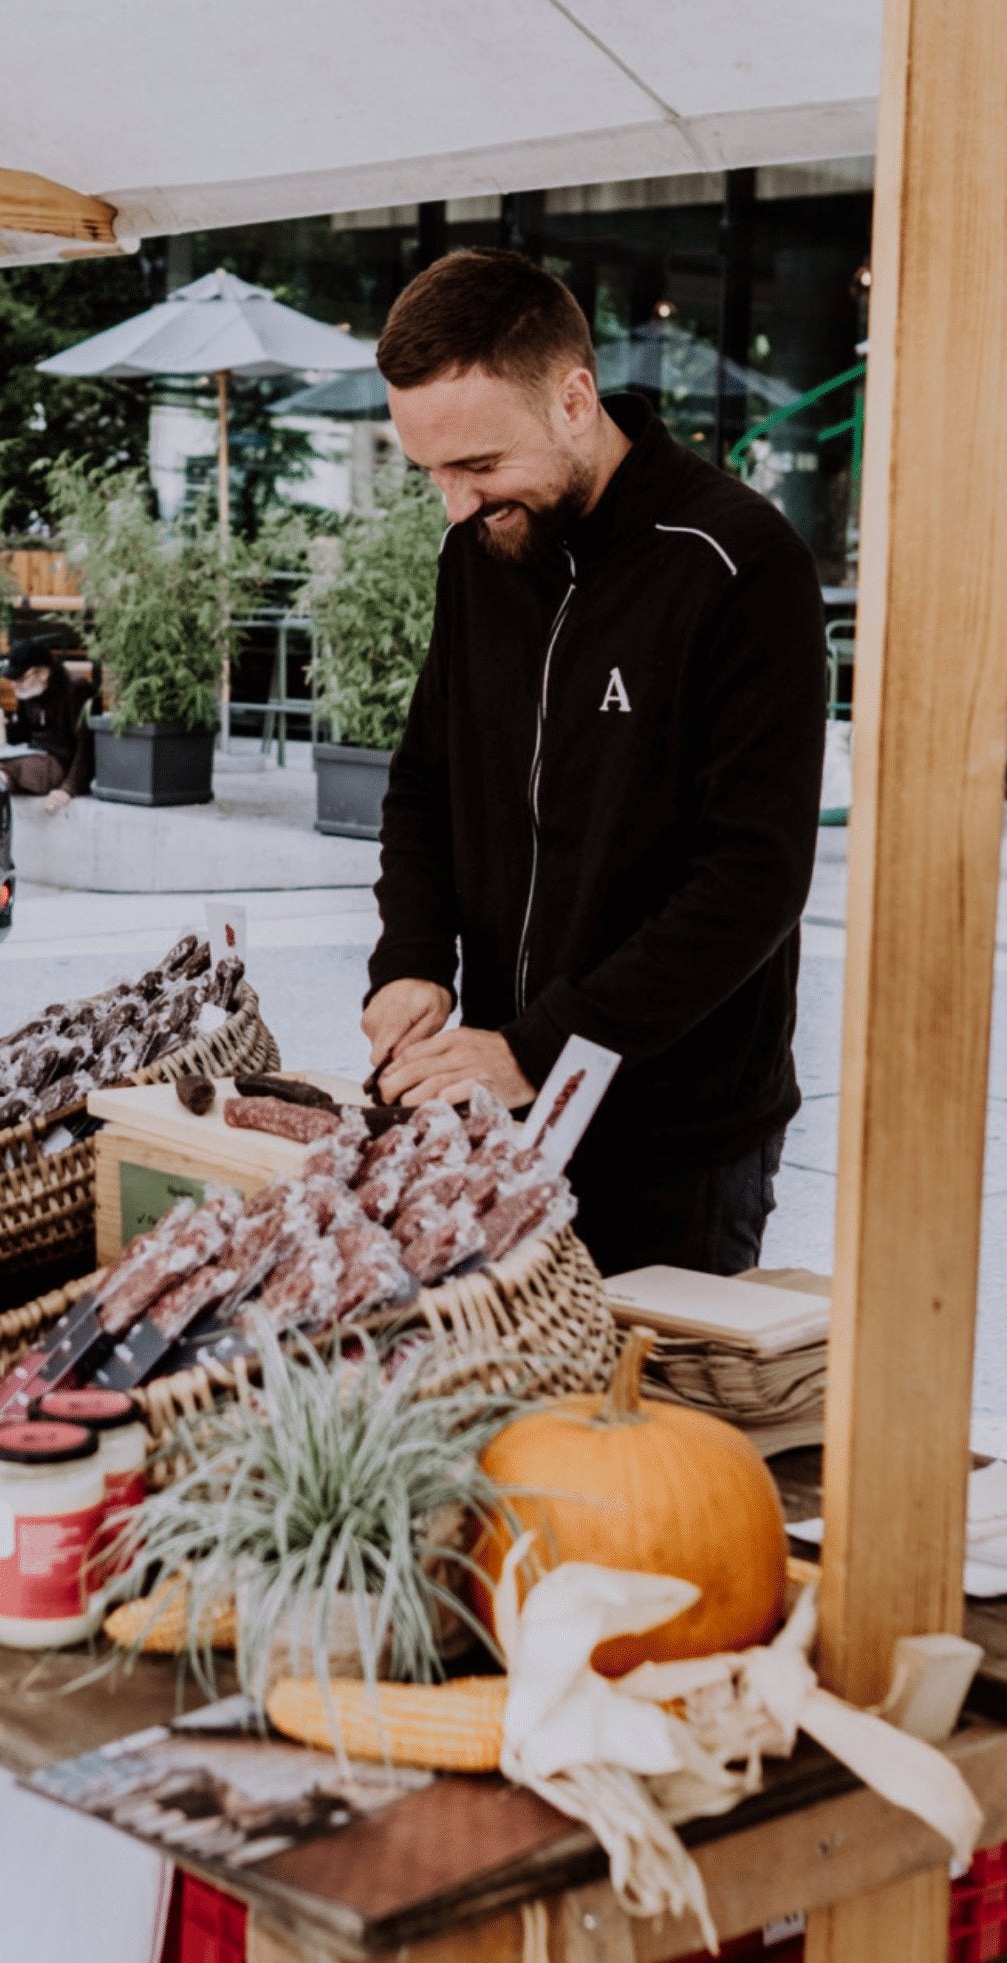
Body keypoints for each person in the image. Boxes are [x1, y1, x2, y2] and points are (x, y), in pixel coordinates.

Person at [362, 250, 826, 1278]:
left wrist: (538, 1045)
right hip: (494, 1110)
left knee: (643, 1430)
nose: (453, 504)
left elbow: (751, 879)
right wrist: (406, 954)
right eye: (431, 472)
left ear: (573, 398)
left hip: (677, 1138)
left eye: (477, 466)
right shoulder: (475, 554)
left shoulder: (739, 564)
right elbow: (425, 779)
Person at [0, 635, 94, 812]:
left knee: (19, 769)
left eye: (20, 679)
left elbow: (86, 744)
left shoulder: (74, 689)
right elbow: (22, 733)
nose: (15, 686)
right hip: (34, 754)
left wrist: (68, 789)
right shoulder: (29, 690)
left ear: (43, 673)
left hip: (61, 763)